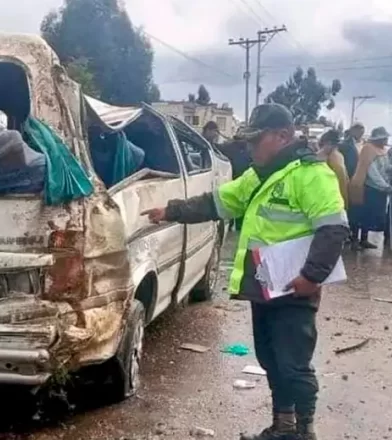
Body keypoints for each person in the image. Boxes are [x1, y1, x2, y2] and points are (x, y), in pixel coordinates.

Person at [142, 103, 347, 440]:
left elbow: (334, 230)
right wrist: (171, 210)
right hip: (265, 285)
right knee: (270, 359)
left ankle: (305, 431)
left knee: (294, 365)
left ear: (282, 136)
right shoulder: (258, 175)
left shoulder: (311, 175)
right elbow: (219, 203)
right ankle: (283, 427)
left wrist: (312, 277)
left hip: (295, 289)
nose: (249, 148)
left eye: (256, 140)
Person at [348, 127, 392, 250]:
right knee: (360, 215)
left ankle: (364, 239)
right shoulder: (368, 149)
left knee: (369, 216)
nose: (386, 140)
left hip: (379, 189)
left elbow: (386, 167)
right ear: (379, 139)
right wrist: (384, 185)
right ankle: (355, 240)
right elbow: (372, 172)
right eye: (384, 138)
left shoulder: (382, 150)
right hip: (367, 188)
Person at [340, 123, 365, 245]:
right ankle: (348, 236)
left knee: (358, 209)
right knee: (349, 209)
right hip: (349, 179)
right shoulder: (345, 145)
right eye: (358, 130)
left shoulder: (364, 144)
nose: (361, 133)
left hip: (361, 181)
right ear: (352, 131)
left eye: (362, 130)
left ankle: (356, 237)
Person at [317, 129, 349, 206]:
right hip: (332, 200)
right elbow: (342, 181)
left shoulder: (318, 156)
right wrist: (345, 202)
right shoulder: (336, 157)